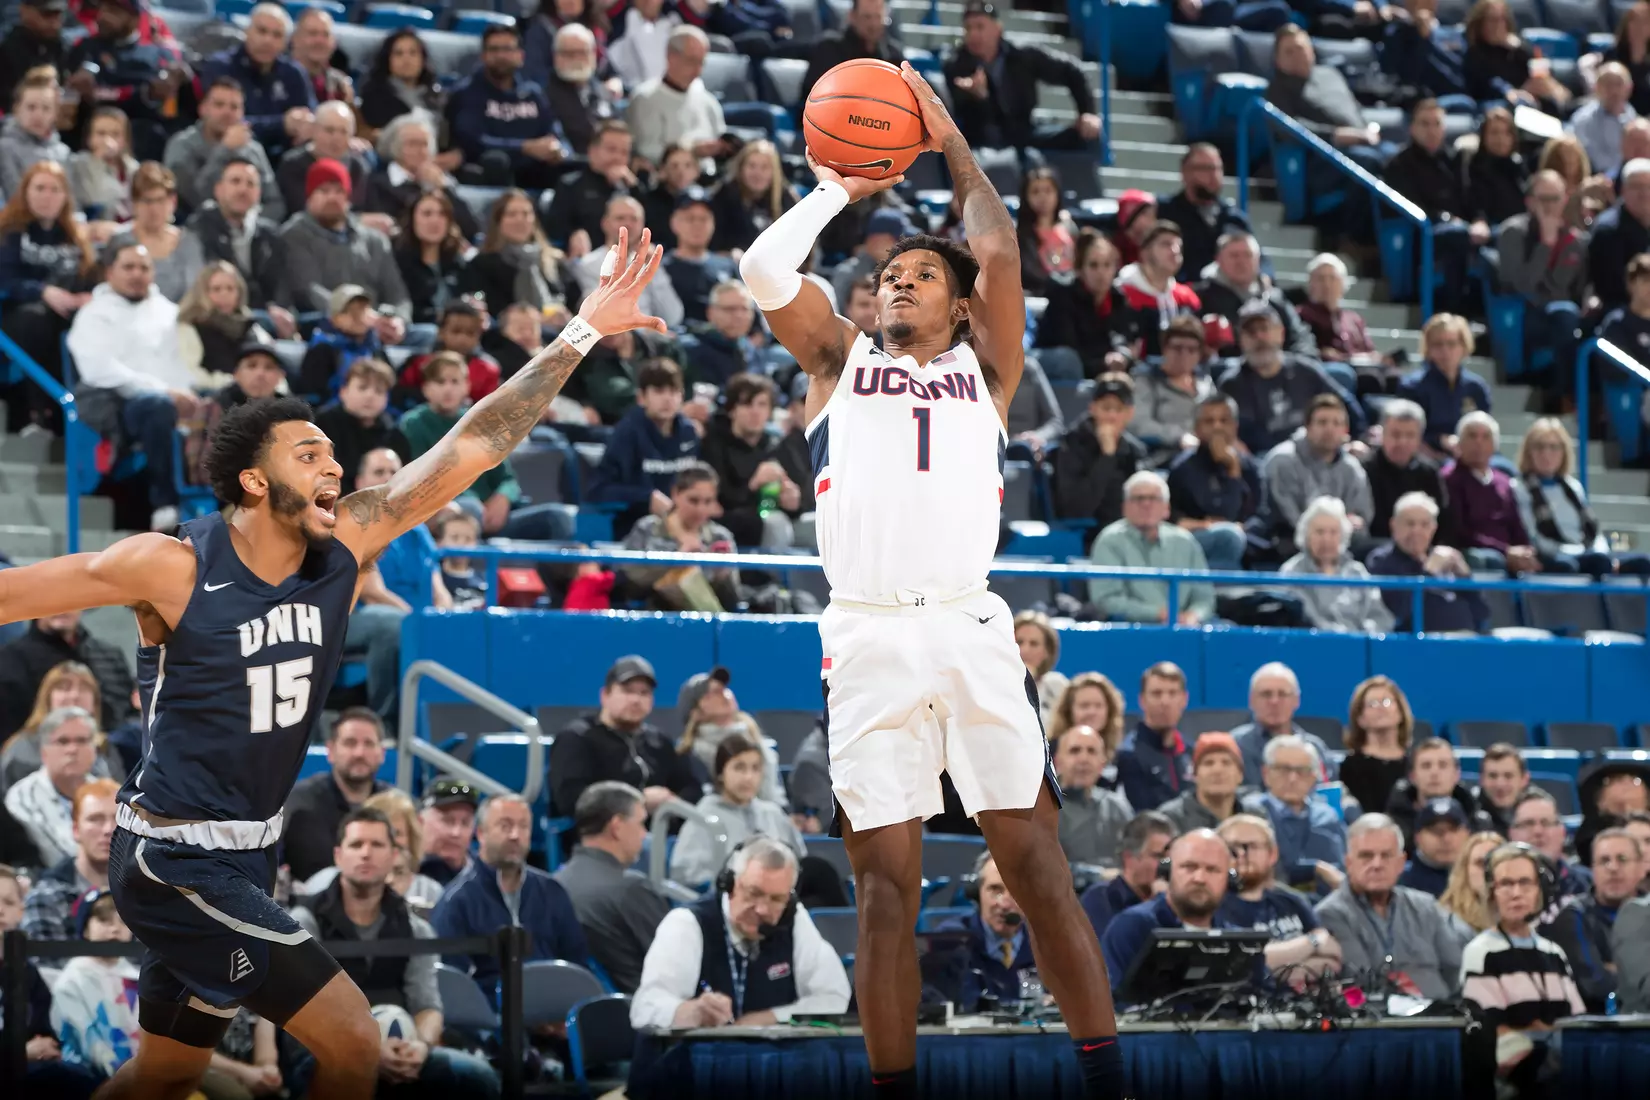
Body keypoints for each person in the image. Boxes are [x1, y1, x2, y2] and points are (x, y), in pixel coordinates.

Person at [0, 221, 667, 1099]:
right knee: (351, 1043)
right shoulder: (171, 565)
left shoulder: (345, 543)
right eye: (308, 452)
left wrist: (581, 330)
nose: (333, 462)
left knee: (165, 1072)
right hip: (172, 861)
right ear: (252, 481)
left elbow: (476, 442)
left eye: (330, 450)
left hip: (250, 853)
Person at [738, 63, 1124, 1098]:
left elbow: (995, 240)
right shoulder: (838, 362)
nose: (895, 283)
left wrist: (949, 142)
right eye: (887, 276)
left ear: (960, 307)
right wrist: (832, 189)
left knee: (1039, 867)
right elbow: (765, 271)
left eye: (919, 276)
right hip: (864, 634)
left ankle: (1107, 1077)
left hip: (967, 624)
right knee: (883, 891)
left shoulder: (987, 370)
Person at [290, 808, 499, 1098]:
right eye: (356, 844)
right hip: (323, 1049)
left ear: (393, 856)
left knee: (480, 1079)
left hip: (401, 1047)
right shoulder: (304, 921)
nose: (366, 853)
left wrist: (421, 1047)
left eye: (376, 845)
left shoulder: (416, 928)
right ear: (338, 856)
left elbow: (427, 1005)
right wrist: (368, 1050)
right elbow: (300, 1012)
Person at [630, 835, 851, 1031]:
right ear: (730, 884)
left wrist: (769, 1018)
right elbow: (645, 1008)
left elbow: (833, 997)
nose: (763, 910)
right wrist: (690, 1011)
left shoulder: (794, 918)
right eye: (754, 893)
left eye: (776, 899)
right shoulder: (686, 924)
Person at [1102, 829, 1338, 1001]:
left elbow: (1266, 996)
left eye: (1213, 870)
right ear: (1168, 872)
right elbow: (1114, 1004)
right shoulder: (1132, 927)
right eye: (1189, 867)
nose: (1200, 878)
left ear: (1230, 880)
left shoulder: (1236, 940)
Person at [432, 794, 590, 998]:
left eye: (523, 826)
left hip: (555, 1012)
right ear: (481, 833)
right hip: (491, 1022)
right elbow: (455, 985)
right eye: (505, 826)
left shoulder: (552, 891)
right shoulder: (456, 901)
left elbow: (577, 965)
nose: (515, 835)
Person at [1461, 843, 1586, 1094]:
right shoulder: (1481, 952)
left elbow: (1576, 1023)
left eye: (1525, 882)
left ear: (1539, 891)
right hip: (1513, 1078)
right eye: (1505, 884)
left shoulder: (1553, 952)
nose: (1516, 893)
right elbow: (1494, 1034)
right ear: (1492, 892)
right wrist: (1546, 1034)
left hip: (1558, 1067)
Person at [1314, 814, 1463, 999]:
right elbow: (1360, 979)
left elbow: (1454, 967)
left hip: (1441, 1016)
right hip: (1379, 1023)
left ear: (1401, 863)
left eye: (1386, 855)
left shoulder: (1426, 906)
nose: (1377, 864)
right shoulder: (1330, 913)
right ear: (1349, 863)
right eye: (1366, 856)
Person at [0, 161, 97, 433]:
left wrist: (86, 297)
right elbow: (5, 281)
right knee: (37, 320)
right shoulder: (8, 232)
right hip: (16, 314)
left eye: (55, 189)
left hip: (66, 312)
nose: (47, 196)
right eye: (40, 188)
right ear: (25, 192)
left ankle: (87, 412)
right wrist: (42, 291)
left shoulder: (75, 235)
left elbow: (89, 276)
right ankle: (38, 412)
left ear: (65, 196)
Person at [547, 655, 706, 819]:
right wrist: (638, 801)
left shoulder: (659, 741)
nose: (636, 700)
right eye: (627, 691)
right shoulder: (578, 737)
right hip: (605, 834)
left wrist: (672, 802)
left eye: (644, 693)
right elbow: (571, 799)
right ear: (605, 695)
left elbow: (692, 788)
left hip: (660, 832)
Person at [552, 781, 672, 994]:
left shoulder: (553, 885)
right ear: (616, 827)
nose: (644, 834)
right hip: (638, 1016)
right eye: (641, 823)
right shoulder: (631, 889)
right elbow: (676, 964)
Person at [942, 0, 1100, 152]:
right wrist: (979, 97)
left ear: (998, 29)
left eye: (980, 27)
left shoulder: (1023, 55)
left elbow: (1071, 71)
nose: (974, 34)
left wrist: (1087, 112)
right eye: (968, 28)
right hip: (982, 139)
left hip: (1025, 132)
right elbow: (958, 115)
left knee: (1086, 136)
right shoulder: (956, 65)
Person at [277, 159, 411, 327]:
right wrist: (355, 316)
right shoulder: (294, 235)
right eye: (324, 191)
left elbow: (397, 294)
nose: (332, 197)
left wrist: (398, 320)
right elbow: (308, 290)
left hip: (375, 322)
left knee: (426, 334)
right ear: (310, 197)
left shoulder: (375, 240)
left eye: (339, 191)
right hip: (327, 321)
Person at [1219, 302, 1365, 456]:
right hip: (1265, 462)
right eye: (1251, 332)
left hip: (1316, 454)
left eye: (1264, 329)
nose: (1259, 337)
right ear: (1240, 339)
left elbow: (1345, 403)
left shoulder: (1306, 371)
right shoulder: (1232, 385)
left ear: (1281, 333)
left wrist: (1360, 437)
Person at [1515, 417, 1650, 575]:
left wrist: (1602, 554)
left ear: (1563, 451)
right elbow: (1535, 537)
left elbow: (1592, 530)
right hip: (1553, 556)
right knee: (1588, 564)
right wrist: (1577, 553)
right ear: (1529, 452)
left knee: (1642, 563)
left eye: (1553, 447)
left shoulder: (1573, 487)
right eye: (1539, 447)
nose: (1546, 453)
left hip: (1587, 554)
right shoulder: (1519, 488)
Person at [671, 732, 805, 885]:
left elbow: (799, 863)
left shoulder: (773, 813)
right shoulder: (704, 817)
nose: (748, 777)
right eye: (739, 768)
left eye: (755, 769)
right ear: (721, 773)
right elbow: (685, 875)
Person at [442, 23, 565, 190]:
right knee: (496, 160)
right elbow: (473, 142)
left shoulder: (533, 94)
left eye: (507, 49)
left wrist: (555, 148)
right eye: (494, 50)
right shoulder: (467, 93)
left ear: (521, 56)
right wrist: (524, 147)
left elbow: (553, 132)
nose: (501, 55)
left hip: (535, 171)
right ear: (483, 56)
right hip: (491, 172)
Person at [1087, 470, 1217, 626]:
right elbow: (1106, 600)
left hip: (1187, 629)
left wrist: (1193, 616)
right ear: (1124, 507)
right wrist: (1158, 614)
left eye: (1154, 498)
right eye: (1138, 498)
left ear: (1167, 508)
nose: (1146, 504)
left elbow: (1205, 598)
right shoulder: (1109, 541)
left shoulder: (1185, 541)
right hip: (1132, 631)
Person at [588, 357, 701, 535]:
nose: (667, 399)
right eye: (659, 391)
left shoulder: (689, 432)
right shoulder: (626, 433)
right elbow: (599, 491)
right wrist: (646, 498)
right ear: (642, 397)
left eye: (673, 391)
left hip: (687, 525)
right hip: (636, 528)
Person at [1541, 827, 1644, 1013]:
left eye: (1622, 859)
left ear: (1641, 867)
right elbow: (1596, 985)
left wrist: (1614, 968)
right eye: (1604, 861)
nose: (1613, 868)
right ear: (1592, 870)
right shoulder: (1573, 916)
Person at [281, 708, 390, 882]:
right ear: (330, 750)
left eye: (368, 743)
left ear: (382, 753)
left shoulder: (394, 805)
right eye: (350, 743)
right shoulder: (299, 802)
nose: (359, 753)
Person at [1261, 395, 1374, 560]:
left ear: (1345, 431)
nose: (1329, 429)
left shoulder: (1352, 468)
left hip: (1342, 545)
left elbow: (1361, 516)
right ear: (1307, 426)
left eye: (1337, 423)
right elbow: (1290, 517)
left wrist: (1351, 526)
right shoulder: (1283, 460)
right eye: (1322, 422)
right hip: (1289, 543)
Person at [199, 3, 315, 156]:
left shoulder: (294, 73)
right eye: (262, 31)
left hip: (286, 158)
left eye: (277, 35)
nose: (268, 40)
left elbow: (311, 116)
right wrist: (282, 124)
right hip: (228, 154)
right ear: (247, 32)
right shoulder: (221, 67)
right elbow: (223, 122)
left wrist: (306, 125)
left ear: (286, 42)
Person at [186, 155, 290, 325]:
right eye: (235, 181)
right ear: (218, 190)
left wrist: (280, 310)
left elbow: (281, 286)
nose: (243, 189)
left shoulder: (269, 234)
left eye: (250, 184)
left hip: (267, 320)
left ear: (259, 193)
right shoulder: (199, 229)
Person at [163, 77, 284, 221]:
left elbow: (276, 204)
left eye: (234, 107)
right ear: (202, 109)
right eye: (219, 105)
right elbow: (195, 200)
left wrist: (247, 226)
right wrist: (225, 149)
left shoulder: (253, 149)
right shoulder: (181, 145)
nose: (227, 112)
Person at [931, 852, 1039, 1011]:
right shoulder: (950, 942)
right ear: (976, 892)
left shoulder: (1049, 945)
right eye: (995, 889)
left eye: (1017, 891)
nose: (1004, 904)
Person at [0, 616, 132, 745]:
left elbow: (131, 712)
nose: (61, 607)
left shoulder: (109, 656)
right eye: (51, 597)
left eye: (68, 596)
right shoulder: (11, 661)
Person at [1368, 491, 1488, 633]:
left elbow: (1482, 613)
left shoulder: (1444, 558)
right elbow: (1397, 612)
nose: (1416, 531)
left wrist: (1465, 577)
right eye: (1410, 523)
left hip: (1464, 641)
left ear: (1434, 528)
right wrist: (1428, 572)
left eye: (1424, 524)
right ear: (1394, 525)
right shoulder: (1381, 560)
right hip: (1416, 646)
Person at [1164, 392, 1257, 572]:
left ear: (1235, 426)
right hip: (1196, 545)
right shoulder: (1182, 469)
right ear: (1197, 429)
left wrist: (1234, 471)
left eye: (1224, 420)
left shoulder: (1249, 467)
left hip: (1245, 546)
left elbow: (1258, 516)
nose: (1217, 427)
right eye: (1209, 421)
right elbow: (1178, 517)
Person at [1033, 230, 1140, 382]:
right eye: (1093, 265)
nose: (1101, 273)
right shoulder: (1062, 296)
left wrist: (1122, 355)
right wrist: (1104, 363)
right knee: (1068, 360)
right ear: (1080, 270)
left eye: (1107, 265)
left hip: (1099, 365)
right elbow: (1069, 346)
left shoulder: (1118, 299)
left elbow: (1125, 338)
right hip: (1060, 367)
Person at [1191, 231, 1317, 358]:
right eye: (1234, 255)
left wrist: (1294, 365)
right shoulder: (1199, 297)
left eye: (1248, 255)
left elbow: (1300, 337)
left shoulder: (1274, 298)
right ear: (1218, 260)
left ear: (1258, 260)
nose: (1241, 261)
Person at [1217, 814, 1338, 945]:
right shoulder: (1214, 907)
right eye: (1232, 847)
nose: (1241, 854)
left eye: (1251, 846)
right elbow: (1246, 960)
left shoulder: (1292, 901)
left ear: (1272, 854)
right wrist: (1311, 945)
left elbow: (1331, 950)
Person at [1444, 411, 1540, 575]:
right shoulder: (1449, 479)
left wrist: (1525, 551)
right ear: (1459, 443)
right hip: (1474, 552)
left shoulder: (1504, 482)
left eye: (1486, 436)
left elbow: (1516, 525)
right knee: (1493, 561)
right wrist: (1506, 551)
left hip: (1508, 552)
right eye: (1472, 436)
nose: (1479, 442)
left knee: (1560, 564)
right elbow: (1459, 531)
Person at [21, 777, 116, 941]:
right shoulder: (46, 897)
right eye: (95, 819)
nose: (108, 829)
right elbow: (45, 965)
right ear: (75, 829)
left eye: (118, 820)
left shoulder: (148, 895)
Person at [1279, 496, 1393, 632]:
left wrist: (1365, 637)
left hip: (1358, 646)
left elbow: (1379, 617)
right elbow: (1305, 620)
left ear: (1343, 536)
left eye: (1333, 532)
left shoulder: (1357, 572)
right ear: (1306, 536)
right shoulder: (1292, 572)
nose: (1326, 539)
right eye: (1319, 532)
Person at [5, 708, 99, 867]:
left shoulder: (108, 794)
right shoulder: (22, 797)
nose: (72, 749)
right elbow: (53, 857)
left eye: (82, 741)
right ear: (44, 752)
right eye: (63, 741)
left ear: (94, 750)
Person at [1052, 374, 1146, 533]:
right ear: (1093, 408)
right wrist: (1107, 457)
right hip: (1087, 534)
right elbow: (1075, 508)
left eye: (1118, 409)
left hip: (1131, 532)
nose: (1112, 416)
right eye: (1106, 407)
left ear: (1130, 413)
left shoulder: (1134, 450)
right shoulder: (1070, 444)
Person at [626, 25, 726, 169]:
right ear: (671, 57)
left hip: (709, 178)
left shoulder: (709, 101)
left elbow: (719, 140)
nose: (698, 71)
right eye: (692, 61)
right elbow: (646, 150)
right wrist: (692, 151)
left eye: (702, 63)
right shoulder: (645, 98)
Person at [1244, 735, 1347, 873]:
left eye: (1302, 770)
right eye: (1283, 769)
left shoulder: (1327, 817)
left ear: (1314, 776)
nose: (1293, 778)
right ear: (1266, 773)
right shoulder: (1251, 813)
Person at [1395, 313, 1493, 459]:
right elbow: (1406, 434)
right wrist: (1439, 441)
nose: (1445, 351)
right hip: (1428, 457)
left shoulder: (1476, 388)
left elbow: (1485, 432)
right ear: (1428, 348)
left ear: (1464, 346)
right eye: (1438, 344)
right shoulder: (1412, 386)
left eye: (1452, 344)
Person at [1157, 144, 1256, 280]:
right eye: (1205, 169)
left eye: (1218, 169)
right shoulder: (1166, 213)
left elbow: (1258, 255)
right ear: (1185, 172)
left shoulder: (1233, 217)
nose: (1213, 175)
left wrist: (1266, 277)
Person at [1229, 663, 1336, 786]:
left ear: (1297, 700)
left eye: (1283, 694)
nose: (1274, 701)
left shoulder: (1315, 748)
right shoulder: (1235, 746)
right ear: (1251, 700)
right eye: (1266, 694)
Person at [1364, 398, 1450, 542]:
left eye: (1410, 435)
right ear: (1382, 435)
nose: (1402, 442)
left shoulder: (1429, 473)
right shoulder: (1365, 470)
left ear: (1419, 439)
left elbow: (1444, 521)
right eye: (1396, 434)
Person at [1080, 811, 1174, 940]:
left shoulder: (1174, 900)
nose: (1167, 866)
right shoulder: (1100, 899)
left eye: (1171, 858)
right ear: (1129, 858)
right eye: (1159, 857)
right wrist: (1156, 905)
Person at [1112, 663, 1194, 813]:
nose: (1165, 702)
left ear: (1184, 699)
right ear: (1142, 700)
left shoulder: (1192, 753)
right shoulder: (1127, 756)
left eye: (1172, 693)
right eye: (1157, 694)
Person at [1386, 736, 1495, 844]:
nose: (1434, 772)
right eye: (1426, 766)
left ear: (1457, 774)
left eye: (1443, 765)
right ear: (1412, 776)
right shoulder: (1393, 826)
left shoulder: (1478, 824)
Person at [1053, 727, 1133, 867]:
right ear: (1058, 762)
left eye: (1091, 751)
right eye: (1075, 750)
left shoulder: (1118, 808)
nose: (1084, 759)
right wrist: (1099, 876)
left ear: (1102, 764)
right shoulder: (1044, 809)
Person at [540, 23, 621, 156]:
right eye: (569, 54)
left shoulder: (602, 92)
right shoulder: (545, 97)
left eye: (582, 52)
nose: (577, 59)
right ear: (556, 56)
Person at [1338, 675, 1414, 818]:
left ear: (1400, 712)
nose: (1380, 709)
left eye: (1386, 702)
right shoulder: (1350, 767)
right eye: (1372, 704)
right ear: (1360, 718)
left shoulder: (1415, 764)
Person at [394, 191, 471, 328]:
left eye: (442, 214)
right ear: (412, 219)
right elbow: (403, 307)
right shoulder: (399, 262)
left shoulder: (457, 262)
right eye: (427, 214)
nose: (435, 221)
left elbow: (475, 293)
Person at [801, 0, 904, 101]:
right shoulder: (829, 49)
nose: (873, 24)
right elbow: (811, 96)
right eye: (866, 17)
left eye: (878, 17)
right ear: (852, 16)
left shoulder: (894, 55)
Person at [663, 189, 739, 323]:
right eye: (690, 219)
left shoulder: (728, 266)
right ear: (674, 223)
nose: (697, 225)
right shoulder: (662, 269)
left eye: (703, 219)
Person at [710, 140, 795, 254]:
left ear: (774, 172)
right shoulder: (724, 195)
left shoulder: (785, 198)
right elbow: (712, 242)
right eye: (752, 166)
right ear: (741, 168)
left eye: (764, 167)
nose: (757, 173)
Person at [0, 68, 71, 199]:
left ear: (55, 114)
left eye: (46, 108)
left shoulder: (63, 152)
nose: (38, 115)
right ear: (17, 109)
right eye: (31, 107)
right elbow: (14, 197)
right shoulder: (5, 148)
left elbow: (71, 200)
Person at [1296, 252, 1377, 365]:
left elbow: (1370, 352)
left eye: (1332, 278)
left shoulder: (1354, 319)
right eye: (1321, 278)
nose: (1327, 284)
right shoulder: (1301, 315)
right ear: (1311, 284)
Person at [1156, 731, 1244, 834]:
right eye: (1208, 763)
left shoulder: (1254, 817)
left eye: (1226, 762)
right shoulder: (1171, 819)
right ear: (1195, 774)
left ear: (1240, 775)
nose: (1217, 770)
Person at [1439, 830, 1510, 949]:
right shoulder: (1445, 921)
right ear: (1465, 871)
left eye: (1496, 862)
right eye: (1480, 863)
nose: (1488, 870)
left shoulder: (1524, 917)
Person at [1400, 798, 1472, 897]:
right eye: (1436, 831)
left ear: (1467, 833)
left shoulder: (1480, 878)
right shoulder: (1399, 881)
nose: (1446, 839)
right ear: (1417, 837)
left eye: (1453, 830)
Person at [1013, 611, 1068, 731]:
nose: (1024, 650)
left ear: (1047, 652)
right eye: (1019, 642)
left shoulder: (1058, 686)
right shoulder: (995, 683)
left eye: (1034, 644)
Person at [418, 778, 477, 887]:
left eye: (465, 823)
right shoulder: (398, 870)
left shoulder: (486, 877)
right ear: (420, 822)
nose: (456, 833)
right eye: (447, 821)